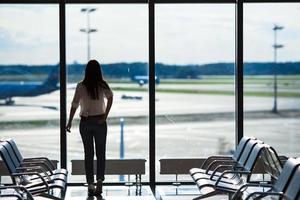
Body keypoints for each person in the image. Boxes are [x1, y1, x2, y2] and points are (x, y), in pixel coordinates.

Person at [66, 60, 113, 198]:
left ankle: (90, 184)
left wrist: (69, 121)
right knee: (101, 153)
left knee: (88, 154)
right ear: (99, 71)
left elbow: (74, 105)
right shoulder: (102, 84)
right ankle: (100, 180)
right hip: (100, 121)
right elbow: (110, 98)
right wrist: (105, 116)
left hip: (85, 122)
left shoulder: (81, 86)